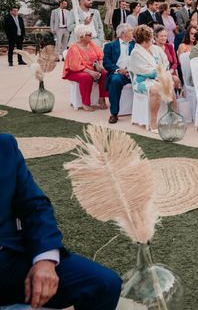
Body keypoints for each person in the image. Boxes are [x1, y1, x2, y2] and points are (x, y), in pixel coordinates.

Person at [0, 133, 122, 310]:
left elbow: (35, 206)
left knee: (104, 283)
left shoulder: (4, 145)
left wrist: (45, 260)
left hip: (9, 258)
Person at [128, 25, 176, 133]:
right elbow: (145, 71)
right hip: (141, 81)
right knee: (156, 89)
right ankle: (153, 122)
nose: (153, 40)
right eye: (151, 38)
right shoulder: (136, 53)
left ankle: (173, 115)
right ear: (144, 40)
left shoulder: (155, 49)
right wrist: (159, 73)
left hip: (159, 77)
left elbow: (166, 63)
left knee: (171, 83)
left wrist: (162, 74)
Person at [62, 24, 108, 112]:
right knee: (86, 77)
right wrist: (91, 72)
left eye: (91, 34)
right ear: (81, 36)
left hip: (92, 69)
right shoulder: (74, 48)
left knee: (105, 73)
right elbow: (76, 66)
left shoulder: (92, 44)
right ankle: (85, 103)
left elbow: (100, 56)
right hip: (74, 71)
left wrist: (100, 65)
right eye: (89, 35)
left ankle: (101, 98)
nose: (92, 36)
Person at [103, 23, 135, 124]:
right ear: (123, 33)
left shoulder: (136, 44)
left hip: (134, 72)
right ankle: (114, 113)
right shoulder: (110, 46)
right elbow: (106, 63)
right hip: (119, 73)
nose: (132, 32)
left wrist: (131, 70)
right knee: (115, 80)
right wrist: (119, 70)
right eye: (130, 30)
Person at [154, 25, 181, 90]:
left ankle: (175, 96)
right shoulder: (153, 48)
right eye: (161, 36)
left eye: (165, 36)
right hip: (159, 74)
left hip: (170, 71)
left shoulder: (169, 46)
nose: (164, 38)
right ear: (156, 37)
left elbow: (175, 62)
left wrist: (171, 71)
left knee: (176, 79)